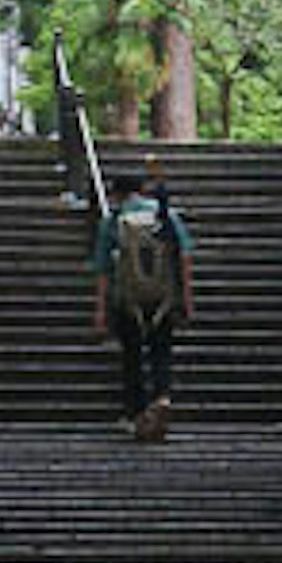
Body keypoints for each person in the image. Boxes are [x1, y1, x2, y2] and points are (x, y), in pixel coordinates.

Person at [88, 154, 195, 444]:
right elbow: (184, 256)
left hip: (127, 299)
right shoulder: (166, 215)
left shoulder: (114, 221)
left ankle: (136, 413)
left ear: (117, 194)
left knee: (132, 356)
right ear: (142, 191)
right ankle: (161, 397)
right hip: (163, 297)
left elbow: (102, 269)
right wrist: (186, 297)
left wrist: (100, 311)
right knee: (161, 351)